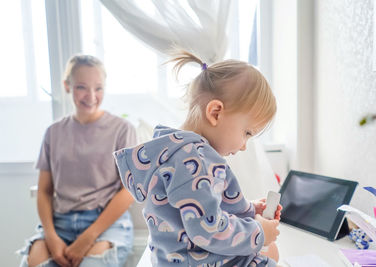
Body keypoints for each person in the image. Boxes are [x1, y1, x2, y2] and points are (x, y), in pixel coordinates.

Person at [114, 51, 281, 267]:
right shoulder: (193, 162)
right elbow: (209, 230)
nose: (244, 146)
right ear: (215, 113)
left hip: (180, 258)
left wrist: (249, 209)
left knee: (270, 252)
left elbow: (206, 203)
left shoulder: (179, 151)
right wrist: (258, 232)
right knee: (269, 256)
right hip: (195, 261)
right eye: (247, 133)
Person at [18, 55, 137, 267]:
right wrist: (52, 237)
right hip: (59, 224)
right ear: (67, 86)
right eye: (82, 87)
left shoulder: (122, 129)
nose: (91, 96)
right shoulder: (53, 133)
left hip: (106, 225)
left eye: (98, 88)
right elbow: (44, 191)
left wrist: (88, 237)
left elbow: (128, 191)